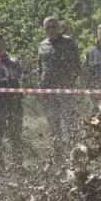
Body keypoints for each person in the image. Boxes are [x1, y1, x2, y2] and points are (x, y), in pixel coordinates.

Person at [36, 16, 79, 160]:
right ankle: (58, 154)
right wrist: (41, 91)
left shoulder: (68, 42)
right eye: (47, 27)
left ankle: (75, 154)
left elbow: (76, 65)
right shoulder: (42, 45)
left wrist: (70, 84)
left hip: (66, 90)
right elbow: (40, 69)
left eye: (53, 26)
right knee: (54, 124)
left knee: (70, 123)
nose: (50, 29)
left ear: (58, 27)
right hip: (49, 92)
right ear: (44, 29)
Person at [0, 34, 25, 173]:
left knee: (16, 134)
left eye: (1, 45)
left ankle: (18, 165)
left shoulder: (14, 61)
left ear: (5, 45)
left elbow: (25, 80)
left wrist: (25, 69)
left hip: (15, 102)